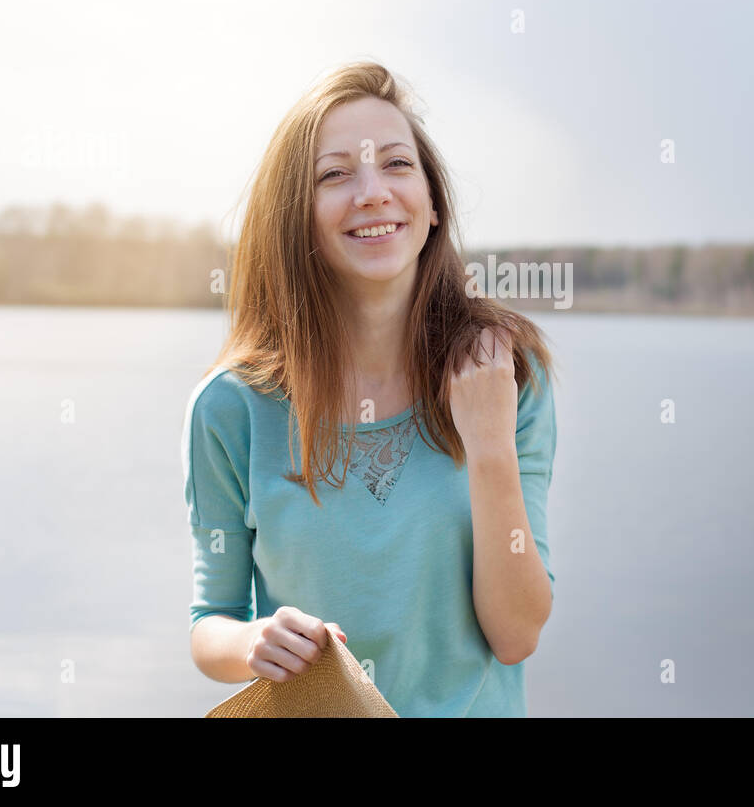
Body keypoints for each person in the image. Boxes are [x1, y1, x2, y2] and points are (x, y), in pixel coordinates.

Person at [183, 60, 558, 717]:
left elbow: (516, 634)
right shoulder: (231, 408)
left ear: (433, 201)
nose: (373, 192)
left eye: (396, 164)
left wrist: (489, 443)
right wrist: (253, 643)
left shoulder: (506, 373)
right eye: (335, 175)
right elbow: (210, 621)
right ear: (294, 217)